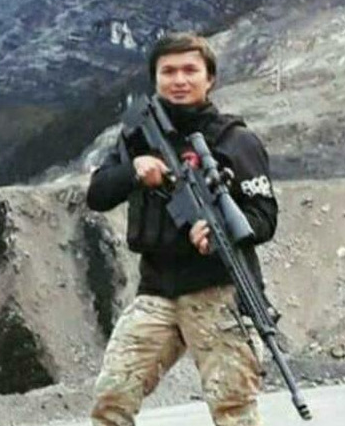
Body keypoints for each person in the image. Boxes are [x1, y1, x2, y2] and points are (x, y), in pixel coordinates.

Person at [86, 32, 278, 426]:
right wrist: (133, 171)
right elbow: (98, 194)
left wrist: (220, 231)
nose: (179, 80)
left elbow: (264, 216)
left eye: (190, 70)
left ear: (210, 79)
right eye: (168, 71)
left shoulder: (236, 141)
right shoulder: (137, 136)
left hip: (219, 293)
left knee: (234, 412)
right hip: (156, 290)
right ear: (155, 79)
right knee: (111, 399)